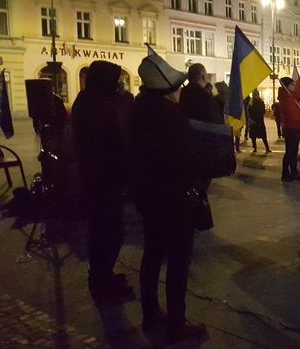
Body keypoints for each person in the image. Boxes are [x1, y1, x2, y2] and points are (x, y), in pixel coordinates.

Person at [133, 50, 207, 341]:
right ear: (168, 91)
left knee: (151, 256)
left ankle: (150, 315)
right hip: (174, 200)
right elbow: (186, 158)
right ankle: (177, 324)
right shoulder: (172, 116)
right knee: (178, 262)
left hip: (149, 198)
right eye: (177, 88)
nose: (179, 92)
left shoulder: (139, 110)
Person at [72, 60, 133, 301]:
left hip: (97, 179)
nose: (117, 86)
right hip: (103, 180)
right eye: (113, 81)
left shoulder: (85, 101)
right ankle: (102, 281)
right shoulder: (99, 108)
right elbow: (114, 144)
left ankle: (102, 276)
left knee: (101, 232)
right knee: (108, 232)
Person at [279, 77, 300, 182]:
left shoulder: (289, 96)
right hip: (292, 128)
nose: (294, 86)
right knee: (292, 152)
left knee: (290, 152)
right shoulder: (287, 98)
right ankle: (292, 173)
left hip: (292, 127)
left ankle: (286, 173)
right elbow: (293, 115)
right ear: (287, 86)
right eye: (292, 85)